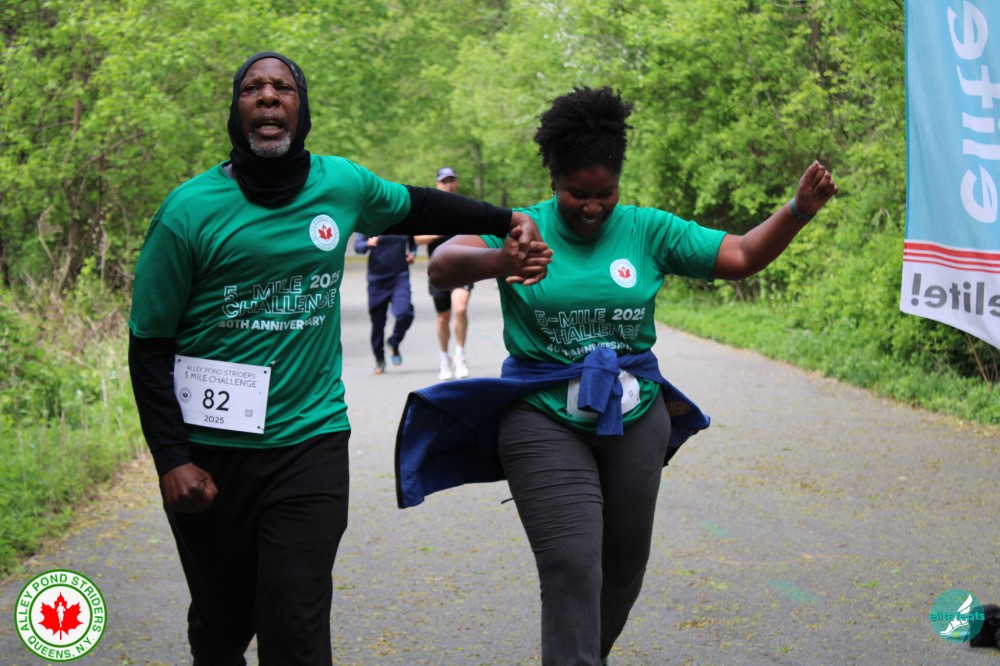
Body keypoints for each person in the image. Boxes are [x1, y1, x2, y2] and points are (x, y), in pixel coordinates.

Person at [127, 51, 548, 666]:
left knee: (295, 622)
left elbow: (419, 206)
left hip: (311, 441)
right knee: (222, 623)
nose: (267, 96)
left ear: (301, 109)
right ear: (235, 110)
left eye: (282, 87)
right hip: (213, 452)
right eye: (252, 88)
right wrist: (171, 457)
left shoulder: (341, 185)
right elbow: (149, 345)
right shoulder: (187, 212)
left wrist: (508, 217)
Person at [396, 86, 837, 665]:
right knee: (572, 562)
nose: (592, 207)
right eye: (577, 194)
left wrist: (797, 210)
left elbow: (740, 256)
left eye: (605, 193)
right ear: (553, 181)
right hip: (540, 411)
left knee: (624, 566)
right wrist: (499, 260)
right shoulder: (522, 226)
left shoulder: (647, 230)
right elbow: (442, 266)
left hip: (635, 413)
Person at [415, 167, 475, 379]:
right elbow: (417, 238)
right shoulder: (430, 210)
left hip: (463, 268)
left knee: (460, 308)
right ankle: (444, 359)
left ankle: (460, 355)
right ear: (437, 184)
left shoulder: (464, 207)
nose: (448, 184)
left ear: (456, 183)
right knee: (443, 317)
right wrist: (438, 232)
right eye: (444, 181)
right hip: (439, 270)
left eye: (451, 180)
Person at [354, 231, 417, 374]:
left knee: (405, 313)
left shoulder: (402, 220)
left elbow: (413, 242)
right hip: (377, 280)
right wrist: (368, 243)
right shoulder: (372, 223)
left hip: (399, 277)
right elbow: (358, 247)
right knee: (378, 323)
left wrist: (413, 253)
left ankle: (394, 342)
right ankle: (379, 359)